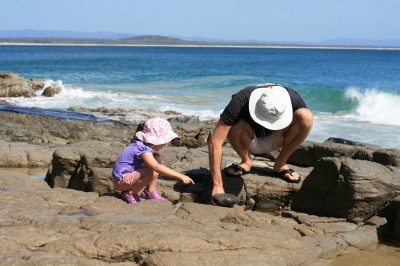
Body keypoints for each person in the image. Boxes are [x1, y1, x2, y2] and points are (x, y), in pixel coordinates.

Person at [208, 83, 313, 198]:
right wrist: (217, 185)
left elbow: (300, 126)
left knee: (306, 116)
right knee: (232, 124)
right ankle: (246, 160)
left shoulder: (292, 98)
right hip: (248, 139)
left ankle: (281, 163)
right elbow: (215, 142)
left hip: (278, 138)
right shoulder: (241, 99)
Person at [112, 117, 194, 204]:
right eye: (165, 142)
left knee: (156, 157)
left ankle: (149, 191)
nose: (165, 144)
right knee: (153, 170)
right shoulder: (142, 149)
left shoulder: (140, 145)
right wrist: (180, 176)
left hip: (126, 178)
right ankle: (130, 193)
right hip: (121, 181)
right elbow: (156, 167)